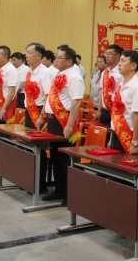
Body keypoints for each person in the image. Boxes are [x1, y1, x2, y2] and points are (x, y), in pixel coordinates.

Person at [36, 47, 84, 207]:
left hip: (65, 122)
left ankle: (71, 194)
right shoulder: (59, 74)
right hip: (54, 121)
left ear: (69, 61)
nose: (56, 60)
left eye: (59, 58)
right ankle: (59, 189)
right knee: (56, 157)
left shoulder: (75, 77)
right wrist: (45, 116)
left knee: (65, 160)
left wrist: (69, 125)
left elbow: (76, 102)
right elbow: (52, 97)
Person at [24, 43, 52, 194]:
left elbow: (48, 96)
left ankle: (40, 185)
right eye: (26, 52)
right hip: (29, 112)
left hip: (40, 114)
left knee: (39, 150)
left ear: (39, 56)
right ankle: (30, 181)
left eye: (29, 52)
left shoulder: (45, 73)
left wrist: (42, 116)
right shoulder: (29, 72)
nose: (26, 55)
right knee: (29, 149)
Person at [109, 50, 138, 155]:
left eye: (123, 61)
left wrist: (135, 143)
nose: (119, 64)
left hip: (129, 135)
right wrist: (111, 138)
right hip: (116, 133)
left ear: (133, 66)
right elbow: (116, 113)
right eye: (119, 61)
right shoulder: (120, 85)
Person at [95, 45, 123, 127]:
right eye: (106, 54)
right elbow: (102, 91)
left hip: (117, 111)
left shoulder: (121, 72)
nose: (107, 56)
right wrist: (99, 110)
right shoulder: (105, 72)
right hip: (105, 111)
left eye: (110, 54)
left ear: (118, 56)